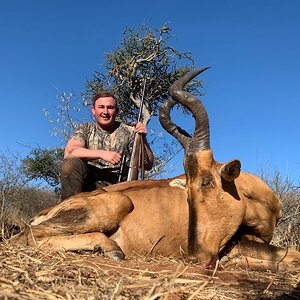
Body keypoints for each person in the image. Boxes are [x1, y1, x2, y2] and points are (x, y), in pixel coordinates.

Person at [60, 90, 154, 200]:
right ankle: (70, 212)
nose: (105, 112)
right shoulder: (85, 129)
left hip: (120, 189)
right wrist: (102, 154)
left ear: (116, 111)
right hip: (89, 187)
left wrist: (143, 138)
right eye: (101, 107)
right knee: (70, 165)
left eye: (110, 107)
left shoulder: (129, 131)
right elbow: (70, 152)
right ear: (93, 110)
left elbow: (148, 165)